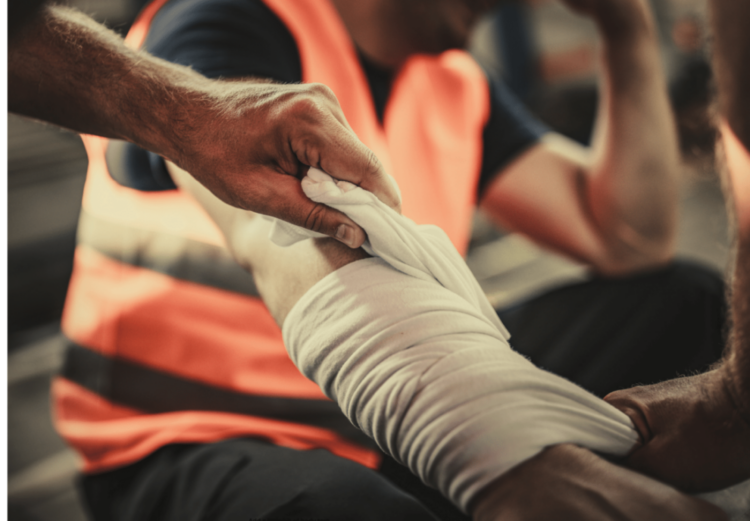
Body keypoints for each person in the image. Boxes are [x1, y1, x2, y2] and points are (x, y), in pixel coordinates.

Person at [52, 0, 728, 519]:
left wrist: (626, 29)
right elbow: (272, 229)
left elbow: (629, 238)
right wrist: (489, 448)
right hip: (195, 437)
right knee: (341, 509)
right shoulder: (219, 26)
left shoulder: (454, 81)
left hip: (367, 419)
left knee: (684, 302)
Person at [8, 2, 400, 246]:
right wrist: (189, 115)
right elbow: (257, 226)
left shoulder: (452, 80)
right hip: (139, 373)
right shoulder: (225, 18)